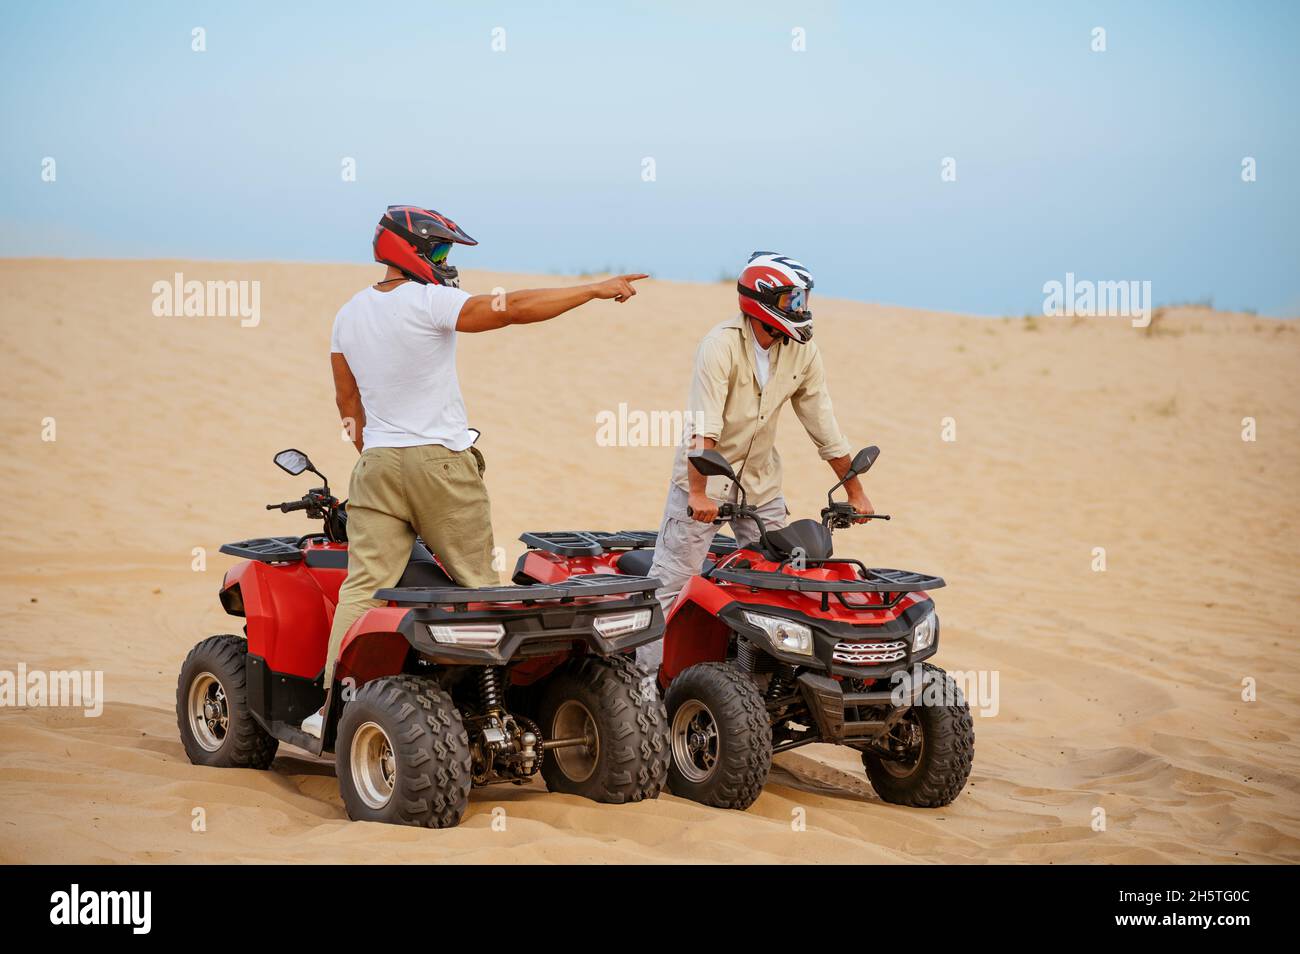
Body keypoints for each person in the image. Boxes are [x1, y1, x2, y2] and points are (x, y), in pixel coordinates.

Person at [304, 204, 647, 738]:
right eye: (438, 250)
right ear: (406, 250)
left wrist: (376, 452)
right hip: (440, 462)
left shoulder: (348, 314)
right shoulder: (430, 301)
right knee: (479, 588)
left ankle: (331, 709)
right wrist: (592, 290)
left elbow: (346, 403)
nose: (444, 261)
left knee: (363, 589)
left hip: (375, 465)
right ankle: (493, 717)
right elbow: (509, 309)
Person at [640, 251, 873, 674]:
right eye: (792, 302)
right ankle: (642, 687)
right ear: (761, 301)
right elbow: (703, 427)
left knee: (784, 583)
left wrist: (855, 491)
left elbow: (823, 424)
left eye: (803, 300)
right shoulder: (720, 346)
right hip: (705, 482)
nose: (801, 310)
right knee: (673, 583)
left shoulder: (803, 352)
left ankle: (766, 681)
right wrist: (696, 492)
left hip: (761, 485)